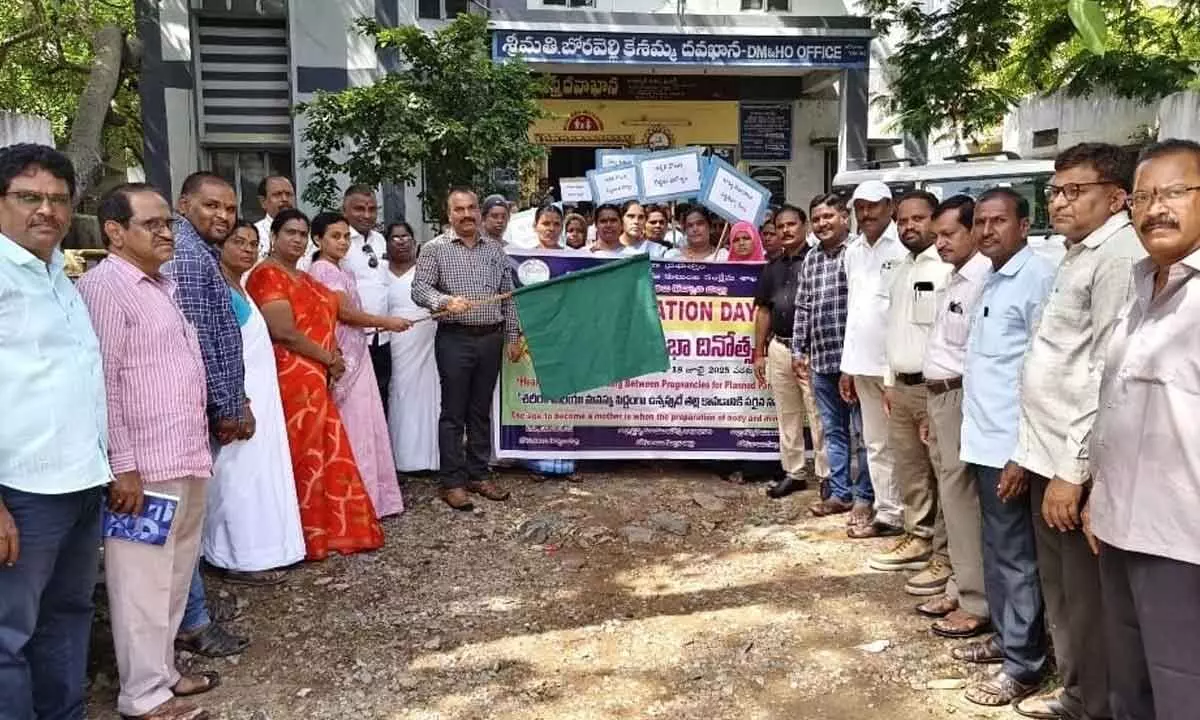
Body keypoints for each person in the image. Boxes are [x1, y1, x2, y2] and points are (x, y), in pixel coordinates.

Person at [78, 183, 218, 720]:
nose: (166, 233)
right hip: (142, 469)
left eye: (167, 223)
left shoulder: (161, 283)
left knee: (176, 573)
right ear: (115, 232)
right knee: (140, 581)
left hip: (183, 454)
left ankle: (161, 674)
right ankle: (141, 695)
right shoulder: (106, 287)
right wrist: (122, 467)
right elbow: (103, 383)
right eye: (152, 224)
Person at [1012, 143, 1142, 720]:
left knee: (1087, 600)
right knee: (1063, 591)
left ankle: (1097, 704)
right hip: (1047, 453)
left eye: (1074, 190)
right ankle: (1076, 694)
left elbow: (1104, 371)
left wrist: (1073, 472)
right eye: (1054, 190)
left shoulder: (1118, 256)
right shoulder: (1077, 253)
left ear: (1116, 198)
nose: (1058, 202)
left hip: (1075, 462)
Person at [1086, 138, 1200, 720]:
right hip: (1120, 529)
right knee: (1130, 691)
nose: (1157, 208)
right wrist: (1097, 495)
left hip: (1183, 542)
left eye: (1175, 192)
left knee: (1184, 693)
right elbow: (1119, 407)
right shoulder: (1140, 288)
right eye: (1145, 196)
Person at [0, 144, 112, 720]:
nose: (46, 210)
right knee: (7, 636)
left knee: (67, 616)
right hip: (21, 492)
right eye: (28, 197)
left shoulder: (57, 275)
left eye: (58, 199)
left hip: (80, 481)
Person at [957, 187, 1055, 707]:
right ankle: (1005, 637)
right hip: (983, 439)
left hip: (1010, 448)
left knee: (1016, 556)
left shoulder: (1036, 279)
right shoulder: (993, 278)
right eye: (980, 222)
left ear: (1024, 225)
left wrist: (1022, 450)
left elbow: (1040, 373)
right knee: (996, 548)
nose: (986, 230)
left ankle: (1024, 664)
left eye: (998, 221)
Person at [246, 208, 386, 560]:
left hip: (317, 377)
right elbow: (284, 332)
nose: (296, 239)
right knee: (303, 456)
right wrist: (328, 358)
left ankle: (331, 530)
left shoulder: (304, 277)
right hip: (290, 377)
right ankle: (300, 537)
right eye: (289, 232)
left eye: (301, 234)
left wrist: (332, 354)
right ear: (274, 236)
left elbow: (333, 312)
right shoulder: (266, 275)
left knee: (325, 453)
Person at [162, 172, 250, 659]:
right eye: (211, 205)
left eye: (230, 208)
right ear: (184, 204)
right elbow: (200, 343)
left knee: (189, 521)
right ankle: (191, 620)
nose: (223, 216)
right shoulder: (189, 257)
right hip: (196, 413)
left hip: (203, 407)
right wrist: (225, 406)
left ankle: (191, 608)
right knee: (183, 523)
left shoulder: (199, 252)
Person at [203, 220, 305, 584]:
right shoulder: (219, 290)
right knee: (239, 476)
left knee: (260, 473)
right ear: (221, 247)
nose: (247, 249)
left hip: (262, 396)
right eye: (238, 242)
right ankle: (239, 556)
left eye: (252, 243)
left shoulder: (240, 287)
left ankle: (263, 549)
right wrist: (237, 402)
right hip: (241, 399)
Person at [412, 188, 523, 511]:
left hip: (491, 339)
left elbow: (508, 296)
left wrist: (512, 336)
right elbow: (419, 288)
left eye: (471, 208)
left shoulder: (496, 250)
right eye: (458, 209)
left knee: (480, 410)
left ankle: (478, 474)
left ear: (478, 212)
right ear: (449, 214)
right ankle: (452, 482)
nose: (466, 214)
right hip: (455, 339)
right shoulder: (435, 249)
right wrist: (445, 301)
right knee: (453, 413)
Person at [916, 196, 993, 640]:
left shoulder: (983, 280)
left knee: (963, 501)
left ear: (973, 232)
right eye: (937, 235)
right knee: (950, 498)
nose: (939, 243)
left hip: (963, 398)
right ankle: (958, 586)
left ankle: (975, 601)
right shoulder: (955, 278)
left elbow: (976, 355)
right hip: (941, 398)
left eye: (949, 234)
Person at [871, 191, 952, 588]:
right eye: (902, 221)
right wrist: (889, 382)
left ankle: (944, 556)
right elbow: (895, 329)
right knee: (911, 470)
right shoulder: (902, 268)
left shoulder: (946, 268)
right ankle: (917, 538)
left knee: (943, 475)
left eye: (917, 219)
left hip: (932, 388)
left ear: (934, 220)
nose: (908, 227)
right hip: (901, 387)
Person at [308, 212, 410, 520]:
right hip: (344, 354)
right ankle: (353, 502)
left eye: (345, 237)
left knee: (367, 422)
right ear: (318, 239)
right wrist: (386, 322)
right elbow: (345, 313)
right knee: (355, 425)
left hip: (358, 349)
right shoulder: (322, 269)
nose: (342, 242)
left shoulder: (342, 269)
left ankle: (371, 497)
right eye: (334, 236)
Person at [793, 194, 873, 517]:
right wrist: (799, 350)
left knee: (864, 432)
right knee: (833, 430)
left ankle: (866, 496)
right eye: (816, 219)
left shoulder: (859, 252)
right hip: (822, 361)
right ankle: (840, 494)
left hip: (856, 361)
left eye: (828, 216)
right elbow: (803, 306)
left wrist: (855, 360)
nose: (822, 223)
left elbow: (865, 307)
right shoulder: (811, 258)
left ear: (844, 217)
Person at [841, 180, 906, 539]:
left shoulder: (903, 247)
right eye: (860, 207)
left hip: (897, 367)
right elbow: (855, 311)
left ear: (890, 207)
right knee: (876, 444)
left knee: (907, 447)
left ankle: (917, 518)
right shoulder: (853, 252)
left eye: (873, 206)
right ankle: (888, 513)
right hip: (862, 364)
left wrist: (894, 371)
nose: (866, 214)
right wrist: (847, 368)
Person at [753, 204, 828, 498]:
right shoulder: (772, 267)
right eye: (780, 226)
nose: (785, 230)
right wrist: (759, 352)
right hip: (780, 348)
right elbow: (763, 311)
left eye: (791, 224)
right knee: (787, 415)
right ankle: (794, 472)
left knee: (819, 415)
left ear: (804, 226)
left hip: (811, 351)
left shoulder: (818, 260)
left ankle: (827, 476)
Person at [385, 221, 440, 474]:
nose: (401, 241)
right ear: (387, 243)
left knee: (428, 394)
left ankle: (429, 458)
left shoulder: (426, 272)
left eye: (406, 236)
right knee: (398, 392)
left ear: (415, 242)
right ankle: (400, 458)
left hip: (425, 337)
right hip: (392, 339)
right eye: (395, 237)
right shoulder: (379, 272)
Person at [341, 185, 394, 417]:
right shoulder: (339, 240)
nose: (366, 215)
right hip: (351, 337)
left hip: (382, 337)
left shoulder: (380, 240)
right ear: (345, 210)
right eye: (359, 209)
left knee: (381, 399)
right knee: (355, 401)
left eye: (372, 209)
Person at [665, 207, 730, 261]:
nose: (695, 229)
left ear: (710, 227)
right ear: (685, 230)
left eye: (700, 224)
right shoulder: (672, 255)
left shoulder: (723, 256)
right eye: (690, 225)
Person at [253, 176, 295, 259]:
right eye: (277, 194)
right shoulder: (254, 234)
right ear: (263, 201)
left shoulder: (307, 233)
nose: (284, 199)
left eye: (288, 194)